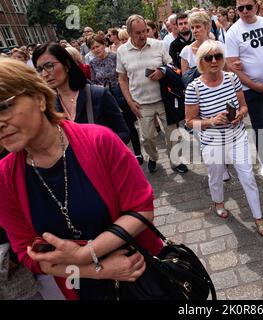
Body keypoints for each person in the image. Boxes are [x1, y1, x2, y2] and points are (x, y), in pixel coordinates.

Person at [0, 59, 163, 300]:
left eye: (4, 106)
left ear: (39, 98)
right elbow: (28, 255)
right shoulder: (4, 179)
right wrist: (96, 269)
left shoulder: (99, 141)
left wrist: (88, 253)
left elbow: (141, 210)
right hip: (83, 290)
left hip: (143, 276)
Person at [185, 40, 263, 237]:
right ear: (201, 61)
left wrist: (240, 114)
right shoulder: (194, 88)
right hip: (212, 141)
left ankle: (258, 217)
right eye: (208, 57)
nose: (214, 61)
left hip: (237, 136)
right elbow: (189, 122)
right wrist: (212, 121)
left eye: (218, 56)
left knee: (248, 177)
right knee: (215, 177)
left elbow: (244, 106)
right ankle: (218, 202)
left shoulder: (232, 79)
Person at [117, 15, 188, 174]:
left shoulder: (159, 45)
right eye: (138, 33)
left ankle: (175, 161)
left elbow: (172, 66)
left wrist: (162, 71)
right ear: (129, 33)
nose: (143, 35)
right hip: (140, 102)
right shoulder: (122, 51)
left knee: (173, 134)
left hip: (164, 99)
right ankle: (154, 157)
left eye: (144, 31)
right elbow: (122, 79)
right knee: (147, 138)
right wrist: (129, 102)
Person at [226, 0, 263, 180]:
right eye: (240, 8)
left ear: (256, 7)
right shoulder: (233, 31)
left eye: (248, 7)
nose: (244, 11)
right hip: (249, 87)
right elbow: (232, 65)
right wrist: (254, 85)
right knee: (259, 123)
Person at [32, 42, 130, 144]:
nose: (44, 74)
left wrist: (98, 145)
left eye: (49, 66)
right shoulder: (48, 106)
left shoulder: (98, 95)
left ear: (67, 65)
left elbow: (123, 133)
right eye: (39, 69)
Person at [88, 33, 143, 164]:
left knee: (129, 124)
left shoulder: (114, 57)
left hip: (119, 93)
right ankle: (121, 153)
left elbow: (123, 76)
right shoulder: (92, 63)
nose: (96, 50)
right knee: (112, 127)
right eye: (93, 48)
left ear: (104, 45)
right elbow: (93, 80)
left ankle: (138, 153)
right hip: (104, 97)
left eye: (98, 46)